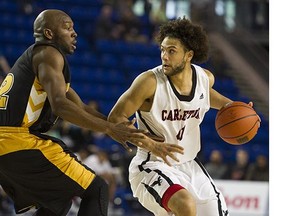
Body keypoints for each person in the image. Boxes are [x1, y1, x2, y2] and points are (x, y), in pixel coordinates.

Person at [0, 9, 183, 216]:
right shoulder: (48, 53)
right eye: (67, 27)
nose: (74, 33)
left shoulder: (40, 61)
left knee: (57, 203)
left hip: (9, 144)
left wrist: (126, 131)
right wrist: (109, 128)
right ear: (49, 34)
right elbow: (61, 105)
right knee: (97, 189)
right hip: (16, 140)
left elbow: (81, 108)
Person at [108, 17, 260, 216]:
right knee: (185, 205)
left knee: (218, 212)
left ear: (188, 55)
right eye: (162, 50)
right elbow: (114, 119)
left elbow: (205, 93)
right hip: (152, 164)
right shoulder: (149, 82)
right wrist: (152, 145)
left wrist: (233, 107)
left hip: (189, 165)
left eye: (171, 51)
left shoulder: (205, 78)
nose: (164, 56)